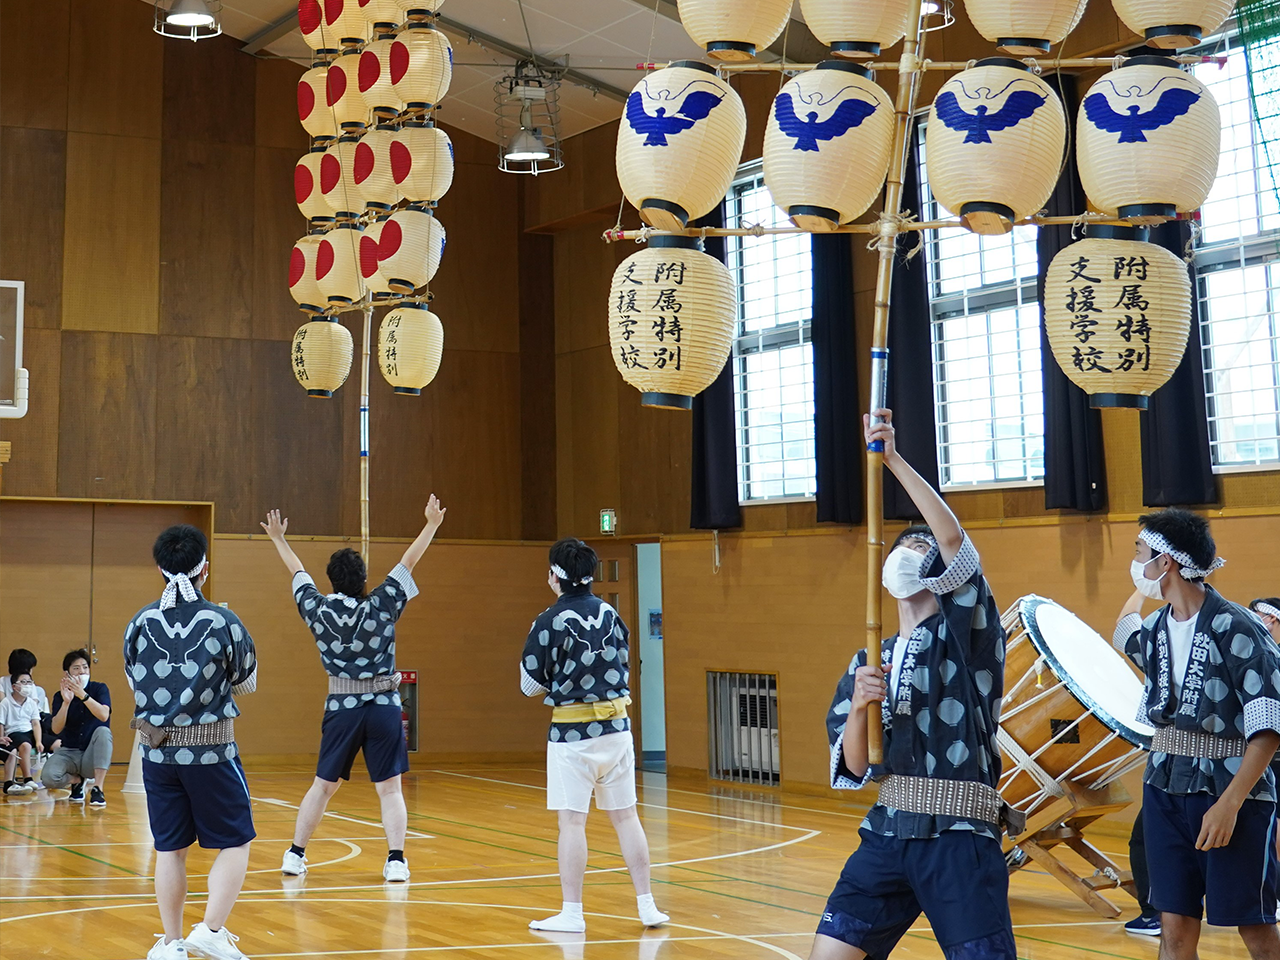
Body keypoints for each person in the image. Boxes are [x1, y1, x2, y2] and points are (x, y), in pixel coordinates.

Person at [811, 408, 1018, 960]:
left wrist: (893, 459)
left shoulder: (967, 637)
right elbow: (855, 767)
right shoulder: (870, 658)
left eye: (920, 552)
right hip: (886, 830)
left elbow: (952, 540)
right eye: (904, 549)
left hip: (959, 834)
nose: (910, 557)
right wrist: (859, 707)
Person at [1113, 509, 1280, 960]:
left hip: (1231, 790)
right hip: (1164, 784)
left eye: (1140, 553)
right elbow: (1122, 631)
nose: (1135, 562)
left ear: (1164, 561)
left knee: (1254, 923)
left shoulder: (1239, 627)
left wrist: (1230, 805)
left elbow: (1268, 727)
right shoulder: (1154, 630)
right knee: (1174, 925)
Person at [262, 496, 446, 883]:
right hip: (382, 707)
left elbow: (297, 573)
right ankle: (396, 860)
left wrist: (279, 539)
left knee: (323, 786)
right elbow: (408, 563)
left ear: (331, 580)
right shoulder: (381, 604)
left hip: (342, 708)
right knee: (390, 789)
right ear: (364, 579)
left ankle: (295, 854)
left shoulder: (317, 609)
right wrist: (430, 524)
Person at [520, 537, 669, 935]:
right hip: (618, 729)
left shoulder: (547, 620)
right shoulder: (610, 613)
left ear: (555, 576)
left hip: (572, 737)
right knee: (626, 816)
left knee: (572, 823)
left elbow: (529, 686)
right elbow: (623, 661)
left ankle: (572, 912)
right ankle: (648, 905)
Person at [124, 523, 258, 960]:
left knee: (169, 848)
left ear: (160, 570)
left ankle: (171, 942)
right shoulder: (224, 621)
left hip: (156, 753)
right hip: (212, 752)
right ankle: (212, 930)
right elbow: (246, 681)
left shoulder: (139, 623)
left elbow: (134, 680)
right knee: (236, 841)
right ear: (205, 569)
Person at [43, 649, 112, 806]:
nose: (82, 671)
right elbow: (56, 729)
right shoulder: (59, 695)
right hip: (69, 751)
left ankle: (97, 788)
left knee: (103, 731)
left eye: (85, 667)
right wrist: (66, 703)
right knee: (48, 778)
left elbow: (103, 715)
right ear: (67, 673)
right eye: (76, 668)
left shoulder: (99, 689)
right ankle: (77, 780)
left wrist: (83, 696)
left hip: (90, 754)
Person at [0, 672, 43, 794]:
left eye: (29, 682)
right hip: (14, 733)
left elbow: (35, 724)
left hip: (29, 732)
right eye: (23, 682)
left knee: (55, 742)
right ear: (14, 686)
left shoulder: (31, 703)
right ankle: (28, 779)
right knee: (25, 745)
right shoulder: (6, 703)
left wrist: (39, 741)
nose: (27, 685)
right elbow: (1, 723)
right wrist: (1, 737)